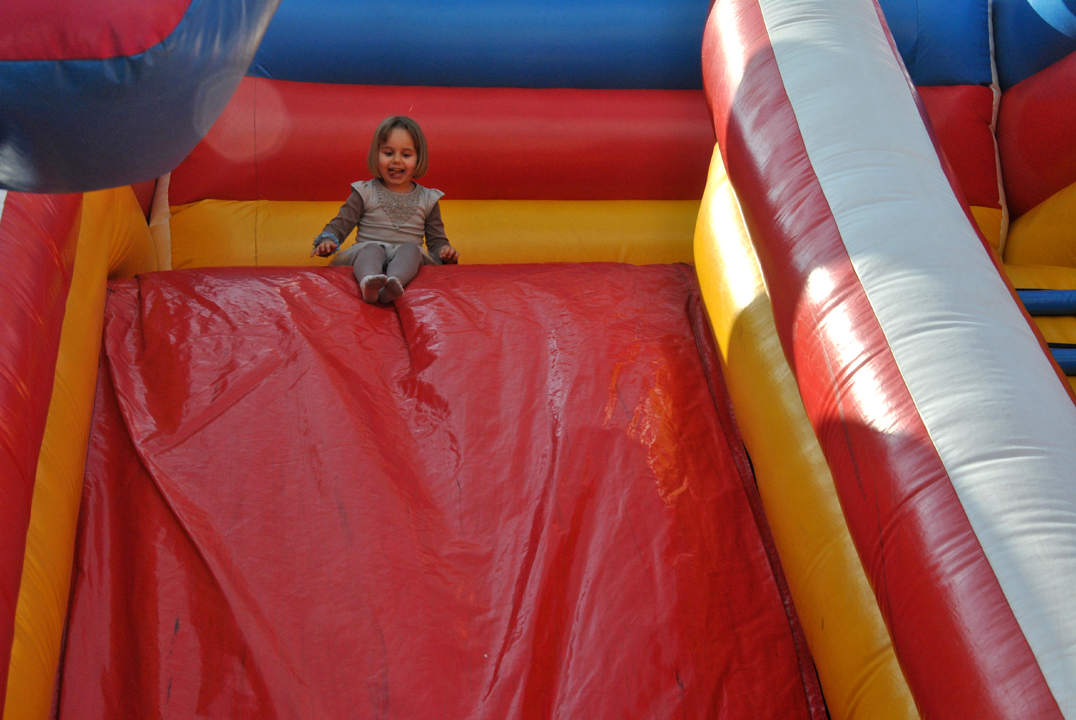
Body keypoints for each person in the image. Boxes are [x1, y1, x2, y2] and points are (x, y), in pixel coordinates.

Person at [310, 116, 459, 303]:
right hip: (369, 252)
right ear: (376, 154)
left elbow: (436, 242)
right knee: (372, 249)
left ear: (419, 158)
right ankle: (368, 282)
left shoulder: (428, 198)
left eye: (406, 155)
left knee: (411, 250)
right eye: (388, 153)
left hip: (406, 256)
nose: (396, 161)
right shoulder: (365, 192)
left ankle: (394, 283)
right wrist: (327, 241)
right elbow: (340, 225)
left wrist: (445, 252)